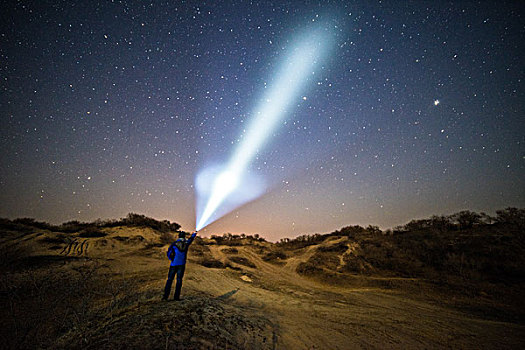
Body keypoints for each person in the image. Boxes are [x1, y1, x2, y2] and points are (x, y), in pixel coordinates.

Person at [163, 230, 198, 301]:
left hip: (173, 264)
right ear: (184, 236)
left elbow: (168, 253)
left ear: (178, 236)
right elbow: (191, 239)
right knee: (179, 280)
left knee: (169, 280)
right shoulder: (186, 243)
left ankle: (165, 297)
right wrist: (194, 233)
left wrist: (171, 259)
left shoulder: (174, 244)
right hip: (182, 264)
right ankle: (176, 297)